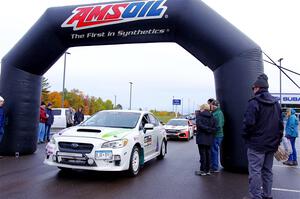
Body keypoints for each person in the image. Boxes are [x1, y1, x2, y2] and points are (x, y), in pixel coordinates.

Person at [242, 74, 283, 199]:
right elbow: (280, 125)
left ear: (257, 88)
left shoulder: (254, 103)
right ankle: (267, 195)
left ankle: (255, 196)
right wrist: (277, 142)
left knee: (255, 172)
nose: (253, 91)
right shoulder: (276, 104)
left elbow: (248, 124)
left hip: (256, 145)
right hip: (271, 145)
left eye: (253, 88)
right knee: (267, 171)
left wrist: (246, 137)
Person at [195, 104, 217, 176]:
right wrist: (210, 130)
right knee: (208, 154)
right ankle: (208, 170)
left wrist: (206, 129)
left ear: (203, 108)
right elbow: (215, 128)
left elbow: (199, 125)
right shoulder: (212, 117)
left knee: (203, 154)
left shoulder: (199, 116)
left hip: (201, 138)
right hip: (210, 138)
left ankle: (203, 170)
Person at [210, 100, 224, 172]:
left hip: (217, 135)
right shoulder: (215, 112)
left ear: (215, 106)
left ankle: (215, 167)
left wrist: (211, 130)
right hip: (216, 135)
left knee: (214, 151)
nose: (210, 106)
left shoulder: (218, 113)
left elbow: (219, 125)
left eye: (211, 105)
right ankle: (213, 166)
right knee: (213, 150)